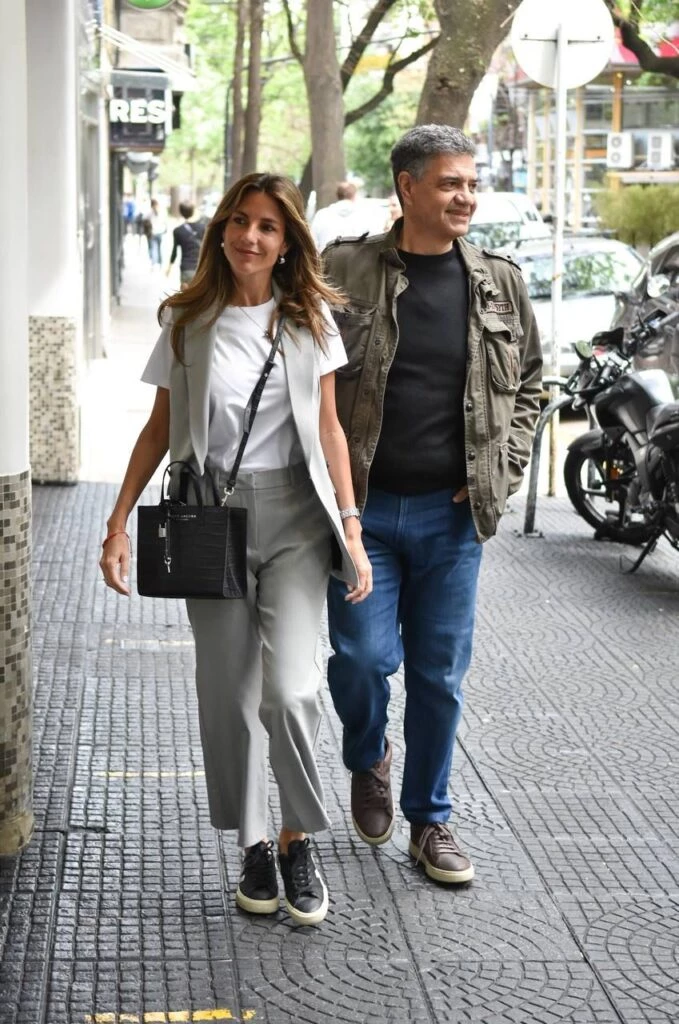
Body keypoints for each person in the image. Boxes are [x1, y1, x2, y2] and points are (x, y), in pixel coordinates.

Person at [99, 172, 372, 926]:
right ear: (221, 230)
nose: (251, 237)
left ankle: (296, 837)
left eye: (268, 227)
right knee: (228, 696)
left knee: (292, 690)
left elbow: (328, 431)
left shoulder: (309, 318)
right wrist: (118, 522)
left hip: (294, 518)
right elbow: (160, 430)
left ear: (286, 244)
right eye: (240, 222)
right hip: (207, 517)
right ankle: (253, 842)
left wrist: (349, 527)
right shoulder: (187, 323)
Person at [321, 125, 543, 886]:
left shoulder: (498, 282)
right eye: (450, 183)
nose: (466, 197)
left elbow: (532, 385)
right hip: (362, 514)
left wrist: (500, 470)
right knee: (360, 659)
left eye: (471, 185)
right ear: (407, 187)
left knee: (439, 675)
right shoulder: (345, 266)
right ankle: (367, 756)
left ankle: (430, 820)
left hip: (453, 518)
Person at [310, 181, 367, 251]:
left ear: (337, 195)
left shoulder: (321, 214)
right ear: (354, 195)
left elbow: (313, 242)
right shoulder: (364, 215)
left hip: (327, 259)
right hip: (356, 260)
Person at [167, 201, 207, 290]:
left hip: (186, 269)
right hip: (201, 269)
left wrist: (169, 267)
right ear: (193, 211)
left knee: (186, 299)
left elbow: (174, 252)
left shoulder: (178, 231)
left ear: (181, 213)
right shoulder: (204, 228)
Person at [148, 198, 167, 267]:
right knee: (159, 248)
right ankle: (160, 263)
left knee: (153, 248)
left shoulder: (150, 213)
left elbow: (145, 219)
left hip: (153, 232)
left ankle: (154, 263)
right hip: (160, 232)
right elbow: (165, 222)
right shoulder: (162, 212)